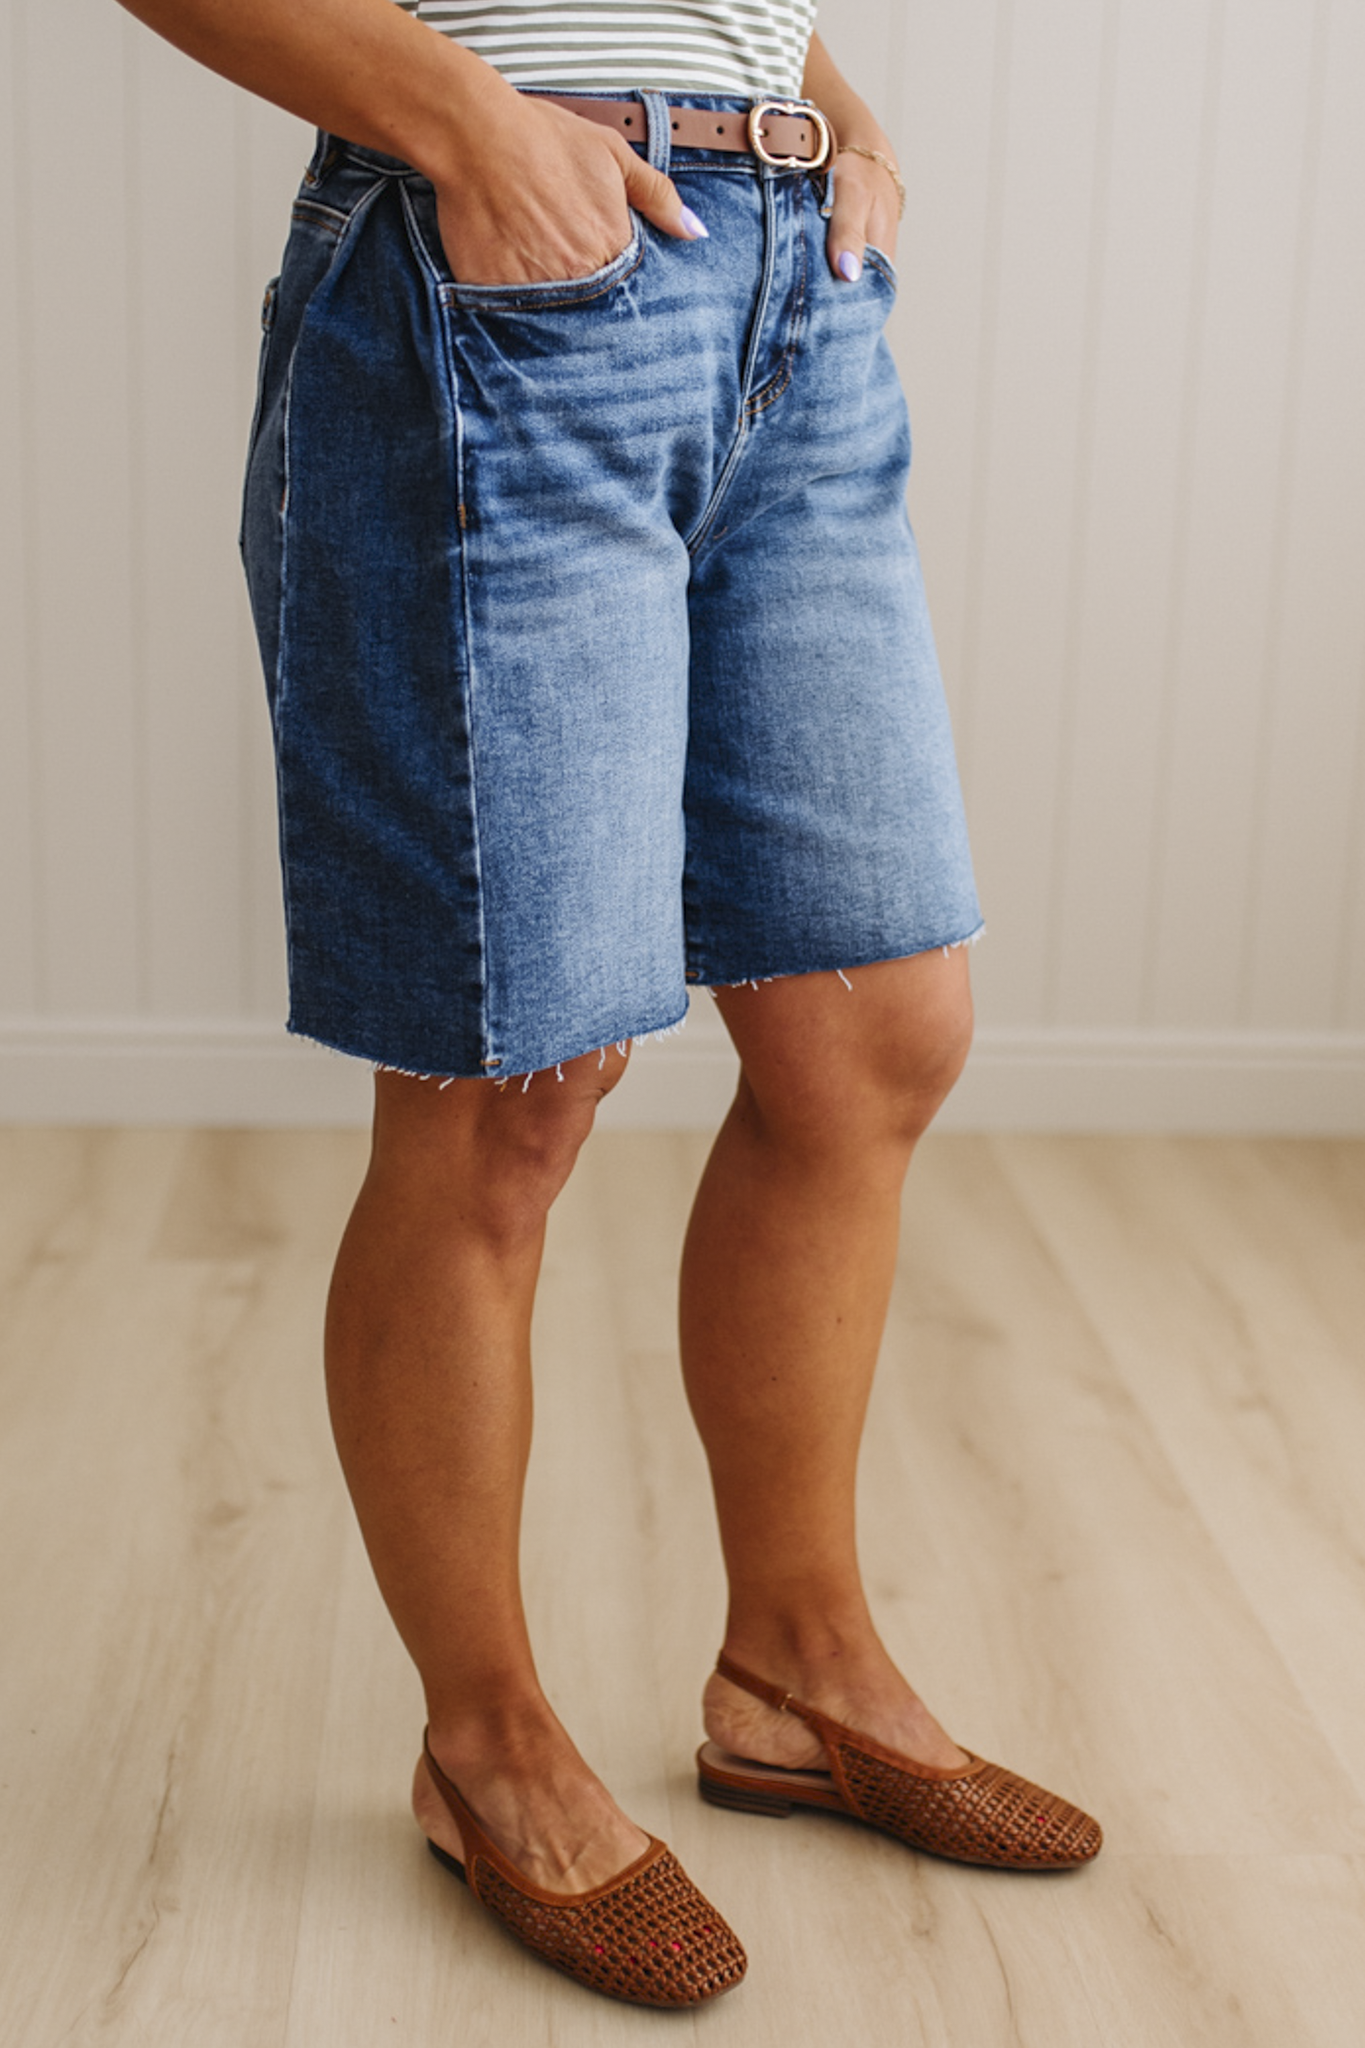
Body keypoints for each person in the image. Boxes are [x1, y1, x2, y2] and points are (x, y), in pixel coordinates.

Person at [116, 0, 1102, 2009]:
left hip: (792, 288)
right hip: (502, 290)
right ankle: (484, 1748)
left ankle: (795, 1673)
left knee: (874, 1030)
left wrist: (836, 120)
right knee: (514, 1080)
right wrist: (474, 132)